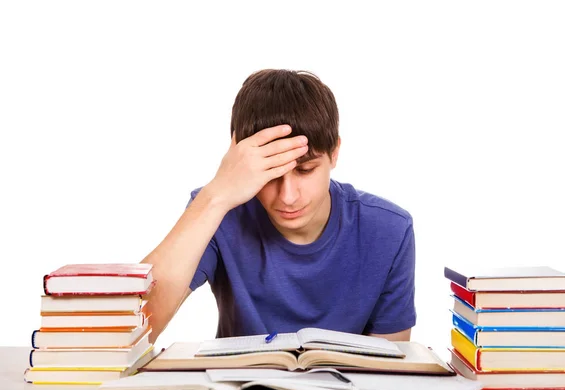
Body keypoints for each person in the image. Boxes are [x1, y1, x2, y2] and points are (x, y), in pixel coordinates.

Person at [143, 69, 416, 344]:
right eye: (270, 173)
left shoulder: (389, 229)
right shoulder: (217, 209)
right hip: (241, 386)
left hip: (349, 387)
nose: (287, 196)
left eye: (305, 170)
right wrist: (215, 195)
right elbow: (135, 325)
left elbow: (391, 367)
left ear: (335, 153)